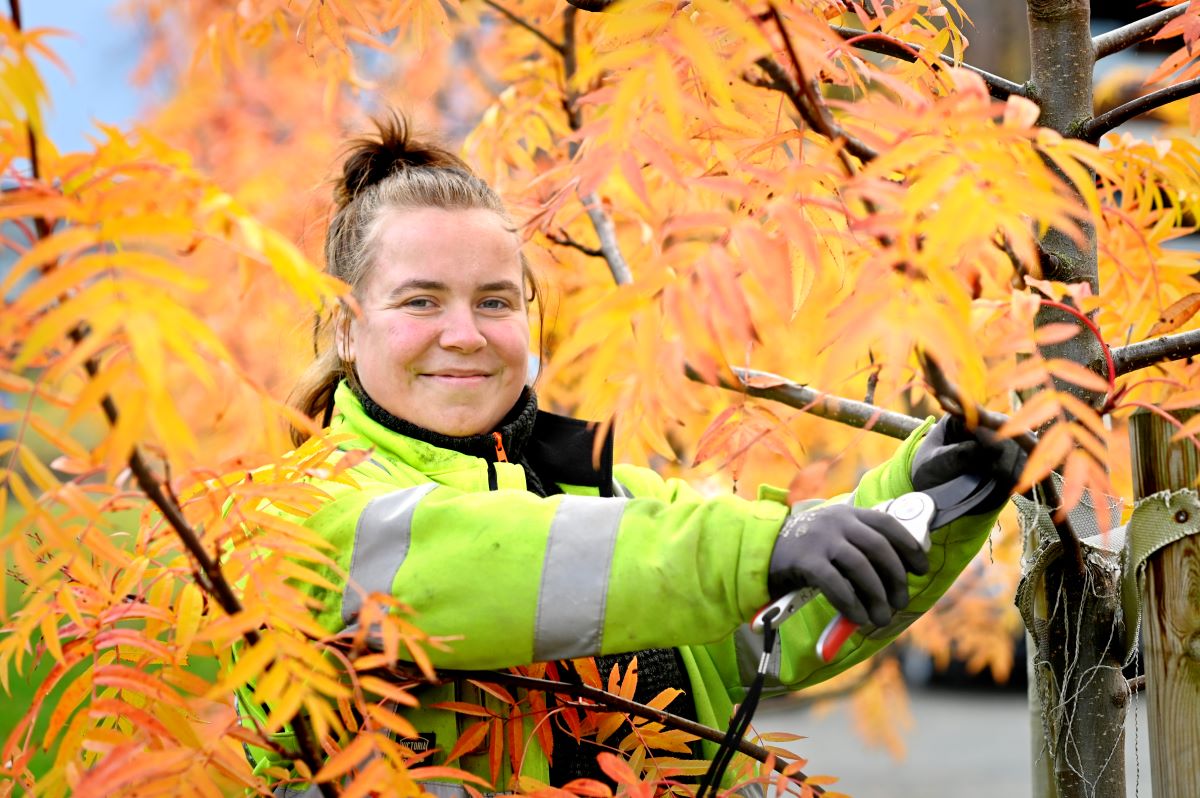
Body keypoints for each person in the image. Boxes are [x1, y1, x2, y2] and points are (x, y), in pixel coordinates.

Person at [243, 114, 1023, 796]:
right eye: (420, 300)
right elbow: (491, 560)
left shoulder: (604, 487)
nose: (465, 334)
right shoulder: (305, 511)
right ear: (346, 328)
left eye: (495, 300)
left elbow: (757, 625)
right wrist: (763, 546)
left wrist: (931, 494)